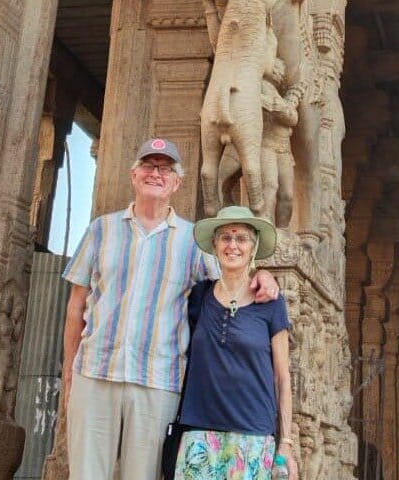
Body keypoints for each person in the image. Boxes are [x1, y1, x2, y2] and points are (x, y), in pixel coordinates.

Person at [61, 138, 279, 480]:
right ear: (134, 175)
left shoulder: (192, 242)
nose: (156, 174)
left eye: (165, 169)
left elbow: (231, 280)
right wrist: (69, 374)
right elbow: (76, 307)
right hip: (95, 371)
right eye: (148, 166)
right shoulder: (101, 230)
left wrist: (262, 275)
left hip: (157, 378)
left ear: (177, 183)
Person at [174, 205, 298, 480]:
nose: (233, 245)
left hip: (253, 437)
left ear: (253, 248)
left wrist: (286, 443)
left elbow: (282, 377)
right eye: (225, 238)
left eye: (241, 238)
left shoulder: (272, 303)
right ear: (215, 245)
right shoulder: (199, 296)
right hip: (200, 435)